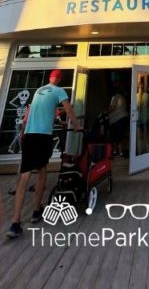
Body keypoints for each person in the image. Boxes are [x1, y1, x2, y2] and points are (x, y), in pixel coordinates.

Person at [6, 70, 83, 240]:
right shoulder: (59, 91)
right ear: (60, 79)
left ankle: (15, 222)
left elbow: (40, 113)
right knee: (42, 172)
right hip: (43, 137)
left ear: (49, 78)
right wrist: (76, 125)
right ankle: (35, 211)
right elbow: (68, 109)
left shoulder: (38, 91)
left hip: (29, 136)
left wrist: (58, 121)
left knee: (24, 177)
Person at [107, 88, 129, 158]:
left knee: (114, 136)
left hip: (116, 119)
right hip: (123, 118)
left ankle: (115, 151)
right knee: (120, 136)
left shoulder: (115, 97)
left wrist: (105, 112)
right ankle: (121, 152)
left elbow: (112, 108)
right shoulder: (123, 98)